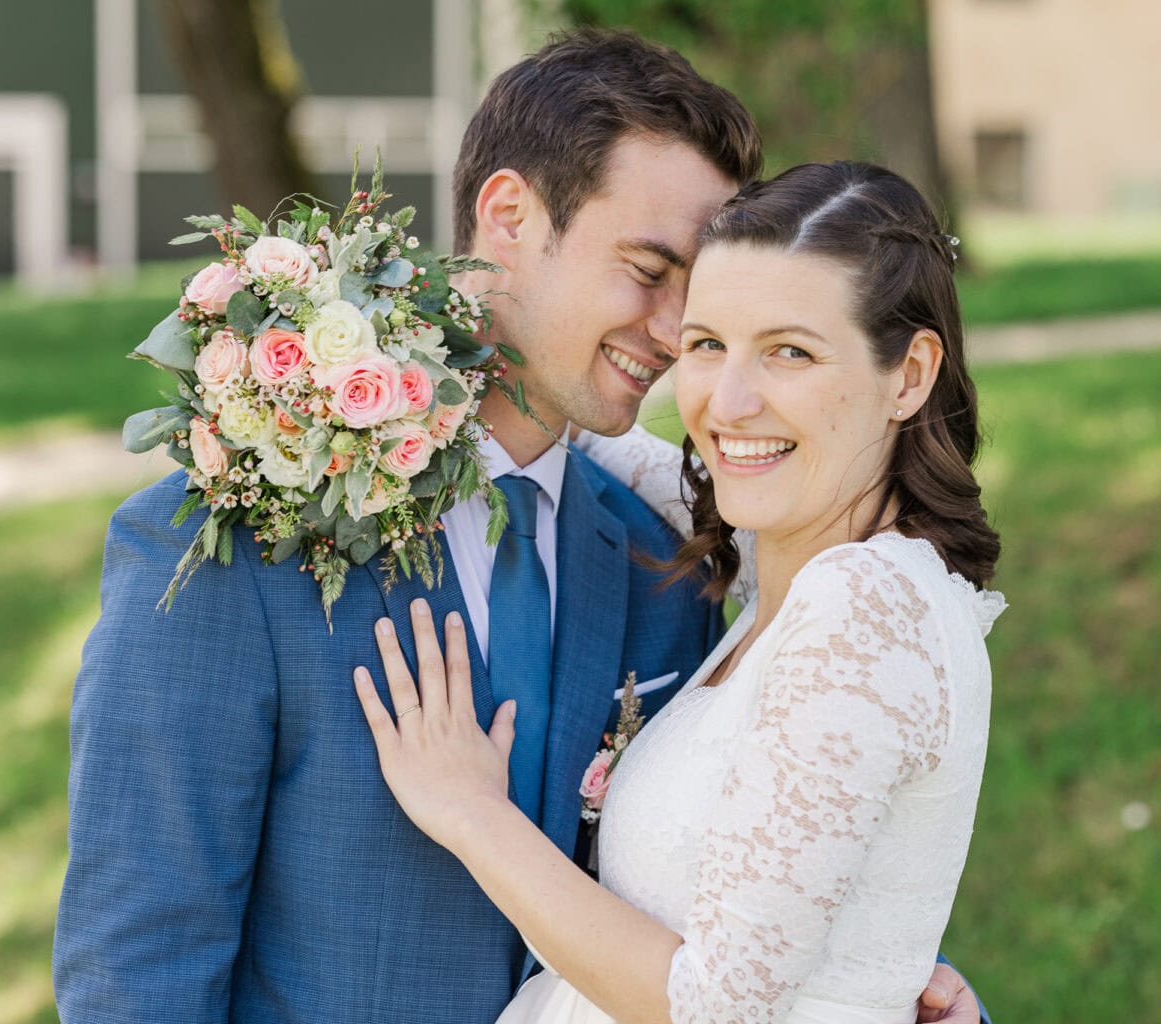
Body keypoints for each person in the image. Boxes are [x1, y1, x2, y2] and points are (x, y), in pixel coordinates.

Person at [54, 27, 983, 1023]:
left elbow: (759, 866)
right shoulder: (228, 548)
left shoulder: (662, 564)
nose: (676, 333)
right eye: (650, 269)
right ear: (509, 217)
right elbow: (134, 978)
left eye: (698, 293)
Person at [351, 160, 1004, 1024]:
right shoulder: (800, 559)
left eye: (790, 352)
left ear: (910, 375)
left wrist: (474, 814)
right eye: (706, 345)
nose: (727, 404)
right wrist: (380, 373)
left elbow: (713, 1008)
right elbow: (606, 445)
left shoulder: (861, 610)